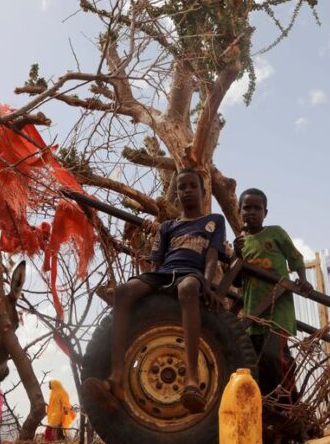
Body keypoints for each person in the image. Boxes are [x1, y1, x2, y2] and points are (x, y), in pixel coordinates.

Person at [83, 168, 226, 414]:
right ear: (177, 194)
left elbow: (212, 255)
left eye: (192, 186)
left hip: (191, 272)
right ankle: (116, 378)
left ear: (203, 192)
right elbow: (156, 263)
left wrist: (207, 282)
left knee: (188, 288)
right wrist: (149, 289)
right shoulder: (168, 227)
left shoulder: (213, 222)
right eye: (182, 187)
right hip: (164, 273)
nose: (187, 191)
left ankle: (192, 381)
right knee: (123, 292)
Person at [234, 188, 314, 403]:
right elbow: (235, 281)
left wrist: (303, 278)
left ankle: (292, 401)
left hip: (277, 309)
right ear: (239, 211)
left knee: (274, 355)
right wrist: (236, 254)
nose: (251, 212)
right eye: (246, 208)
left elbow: (295, 257)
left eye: (256, 208)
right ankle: (271, 406)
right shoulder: (240, 242)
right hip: (253, 312)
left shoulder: (275, 233)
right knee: (258, 361)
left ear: (265, 212)